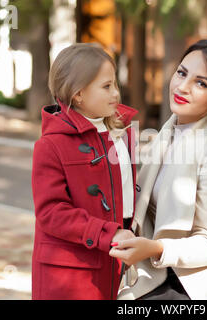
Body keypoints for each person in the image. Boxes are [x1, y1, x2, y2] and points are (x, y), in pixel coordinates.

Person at [111, 39, 207, 300]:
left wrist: (153, 248)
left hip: (203, 284)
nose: (183, 87)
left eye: (201, 83)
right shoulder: (171, 129)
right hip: (161, 273)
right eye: (182, 73)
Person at [31, 43, 138, 300]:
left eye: (115, 85)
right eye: (106, 87)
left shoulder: (123, 133)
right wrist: (108, 233)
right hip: (70, 275)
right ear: (78, 94)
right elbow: (51, 212)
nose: (116, 94)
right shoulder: (50, 145)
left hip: (116, 259)